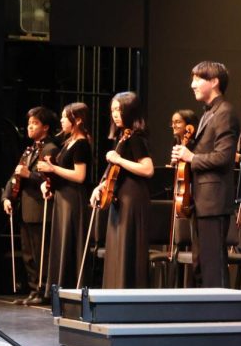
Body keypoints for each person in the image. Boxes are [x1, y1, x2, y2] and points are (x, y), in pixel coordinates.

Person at [171, 61, 240, 288]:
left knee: (213, 265)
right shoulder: (208, 113)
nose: (192, 85)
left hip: (213, 200)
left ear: (214, 82)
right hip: (202, 200)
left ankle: (220, 315)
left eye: (198, 79)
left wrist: (191, 158)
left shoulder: (225, 113)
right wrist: (184, 159)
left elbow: (224, 157)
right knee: (201, 263)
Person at [92, 92, 154, 289]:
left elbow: (148, 169)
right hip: (120, 195)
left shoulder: (135, 137)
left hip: (133, 196)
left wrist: (118, 159)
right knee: (117, 246)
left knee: (128, 246)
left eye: (119, 109)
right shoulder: (122, 136)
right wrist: (100, 186)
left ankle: (127, 292)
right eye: (113, 110)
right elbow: (114, 171)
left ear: (130, 111)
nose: (115, 114)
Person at [2, 107, 59, 304]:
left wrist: (30, 175)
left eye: (34, 123)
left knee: (40, 252)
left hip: (40, 207)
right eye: (29, 124)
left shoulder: (51, 148)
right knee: (28, 254)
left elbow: (50, 180)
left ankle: (44, 290)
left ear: (45, 127)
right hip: (25, 208)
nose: (30, 127)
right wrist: (7, 197)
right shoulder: (29, 149)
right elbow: (15, 175)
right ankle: (33, 289)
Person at [35, 102, 91, 296]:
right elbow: (61, 172)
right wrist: (49, 182)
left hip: (73, 199)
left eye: (65, 117)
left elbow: (79, 175)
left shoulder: (82, 142)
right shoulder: (68, 141)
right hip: (62, 196)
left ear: (77, 120)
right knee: (61, 241)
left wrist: (53, 169)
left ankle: (72, 288)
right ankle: (58, 289)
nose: (61, 120)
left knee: (70, 240)